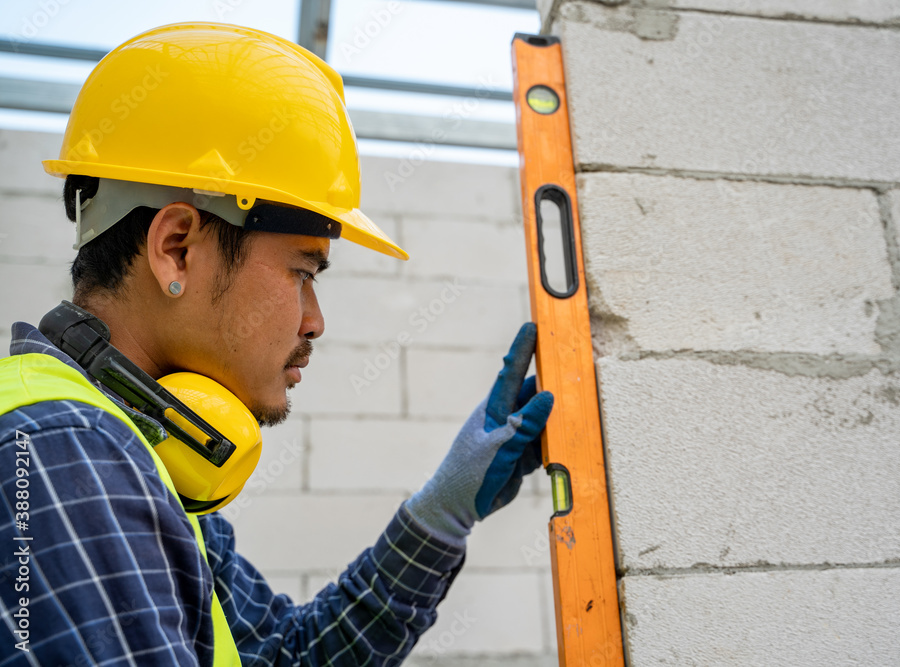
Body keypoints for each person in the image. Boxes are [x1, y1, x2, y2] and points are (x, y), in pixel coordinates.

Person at [0, 22, 554, 666]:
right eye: (302, 271)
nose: (314, 321)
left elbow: (284, 656)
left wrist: (441, 514)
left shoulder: (149, 448)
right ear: (176, 249)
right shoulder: (67, 459)